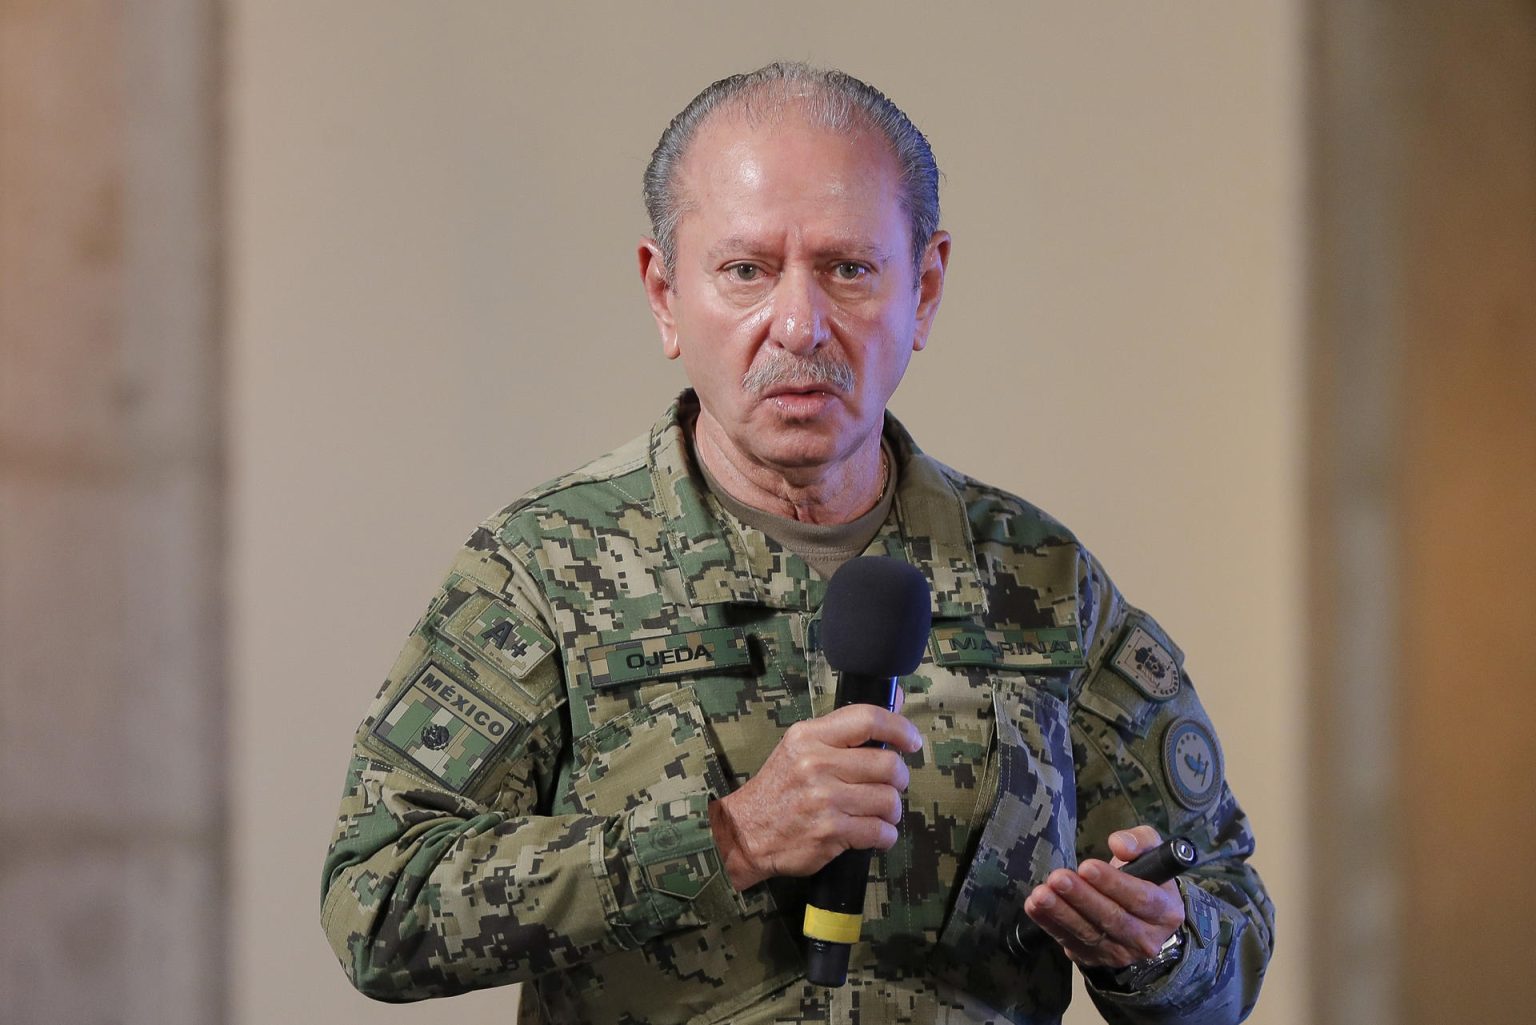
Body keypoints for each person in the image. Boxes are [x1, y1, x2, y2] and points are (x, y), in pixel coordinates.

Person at [320, 63, 1274, 1025]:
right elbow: (378, 904)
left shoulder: (1040, 580)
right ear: (664, 292)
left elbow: (1229, 916)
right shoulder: (543, 567)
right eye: (745, 270)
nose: (798, 322)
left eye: (849, 269)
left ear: (927, 287)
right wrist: (724, 839)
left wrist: (1160, 947)